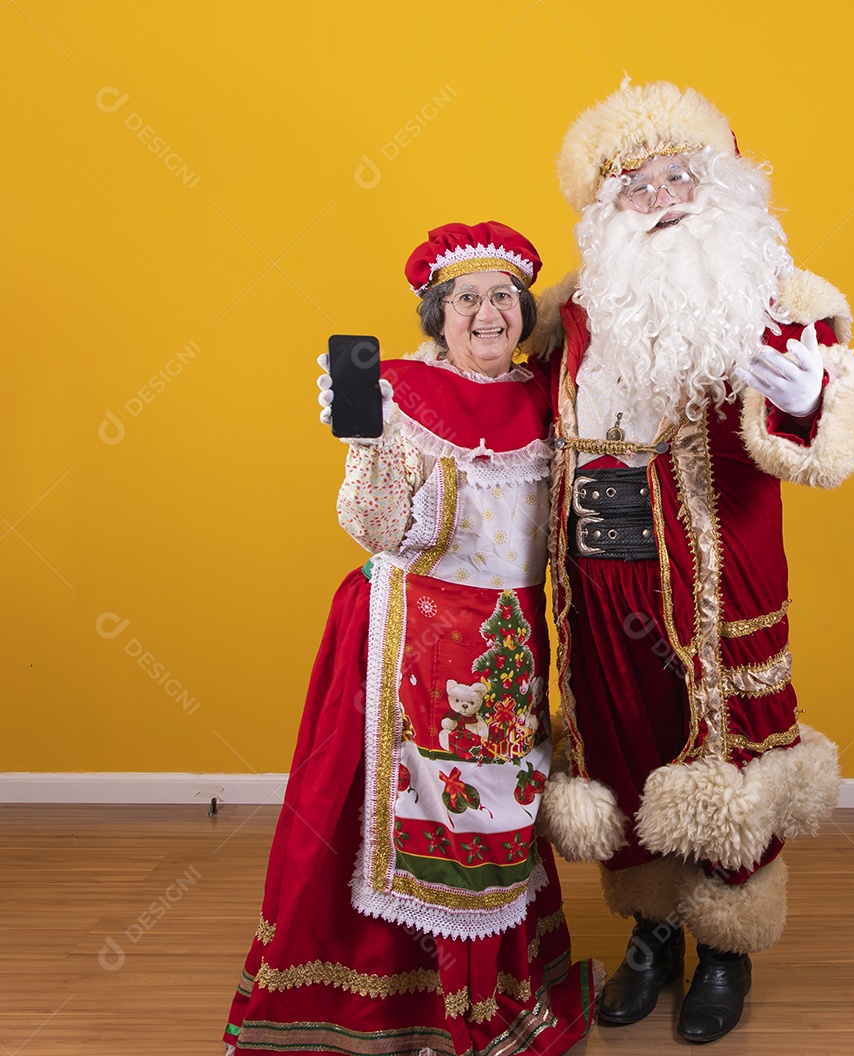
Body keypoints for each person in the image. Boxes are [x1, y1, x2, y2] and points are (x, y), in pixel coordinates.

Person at [525, 81, 854, 1043]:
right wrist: (395, 401)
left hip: (718, 579)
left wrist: (809, 398)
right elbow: (503, 407)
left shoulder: (779, 296)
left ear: (720, 182)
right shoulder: (570, 316)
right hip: (597, 584)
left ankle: (726, 943)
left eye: (678, 176)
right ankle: (652, 931)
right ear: (606, 209)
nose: (662, 198)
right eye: (635, 186)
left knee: (730, 748)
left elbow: (824, 438)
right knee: (622, 740)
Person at [223, 221, 599, 1055]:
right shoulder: (399, 394)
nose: (488, 313)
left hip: (506, 644)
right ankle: (398, 1006)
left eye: (503, 296)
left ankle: (491, 991)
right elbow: (379, 529)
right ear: (437, 314)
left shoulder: (550, 398)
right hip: (402, 638)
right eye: (466, 299)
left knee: (495, 812)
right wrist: (368, 447)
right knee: (383, 819)